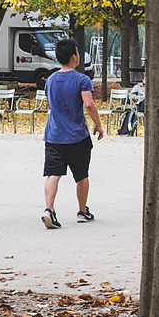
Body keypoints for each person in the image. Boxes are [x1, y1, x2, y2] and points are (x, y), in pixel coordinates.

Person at [42, 37, 104, 229]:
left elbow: (50, 105)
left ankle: (49, 209)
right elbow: (88, 104)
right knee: (81, 175)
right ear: (74, 56)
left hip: (53, 135)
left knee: (53, 174)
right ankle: (82, 211)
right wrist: (98, 125)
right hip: (76, 136)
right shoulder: (82, 79)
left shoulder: (51, 79)